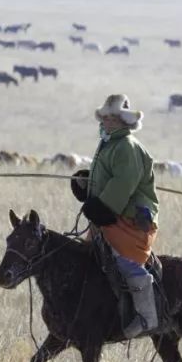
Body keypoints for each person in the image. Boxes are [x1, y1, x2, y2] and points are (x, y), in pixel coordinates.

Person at [72, 93, 160, 338]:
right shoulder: (110, 143)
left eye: (114, 118)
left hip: (131, 219)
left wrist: (100, 207)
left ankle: (146, 316)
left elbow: (122, 184)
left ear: (125, 121)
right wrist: (86, 183)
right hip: (110, 216)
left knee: (123, 260)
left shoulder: (127, 147)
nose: (108, 122)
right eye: (106, 117)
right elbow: (107, 178)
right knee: (89, 256)